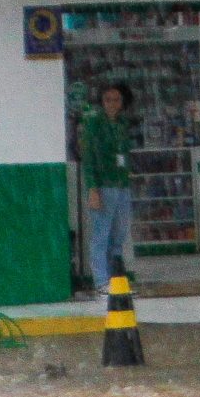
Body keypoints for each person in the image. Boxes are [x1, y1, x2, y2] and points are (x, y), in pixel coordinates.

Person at [77, 82, 134, 293]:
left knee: (118, 235)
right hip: (103, 186)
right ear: (102, 101)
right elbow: (89, 157)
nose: (112, 104)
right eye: (108, 99)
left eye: (116, 99)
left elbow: (124, 153)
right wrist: (93, 188)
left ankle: (117, 279)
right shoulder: (94, 123)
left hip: (122, 184)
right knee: (101, 234)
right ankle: (101, 281)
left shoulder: (122, 124)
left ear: (122, 102)